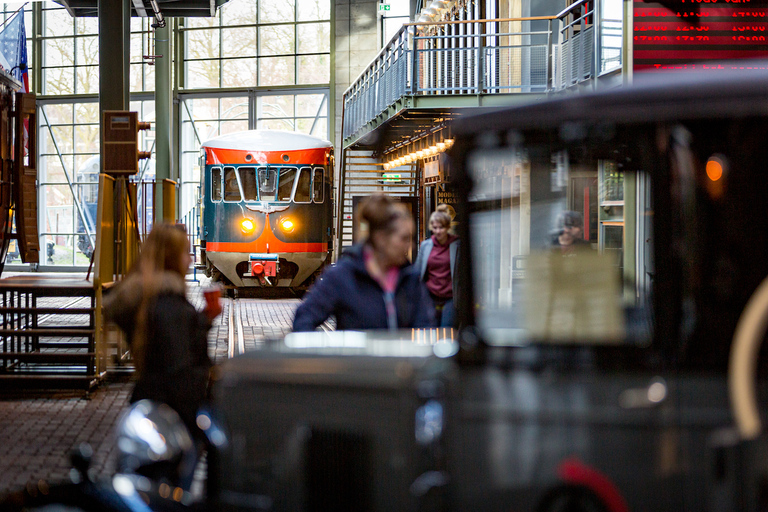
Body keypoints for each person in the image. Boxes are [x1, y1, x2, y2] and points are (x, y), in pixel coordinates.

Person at [104, 223, 222, 447]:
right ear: (171, 257)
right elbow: (178, 367)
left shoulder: (149, 298)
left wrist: (202, 320)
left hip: (151, 404)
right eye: (185, 253)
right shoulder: (168, 304)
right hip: (173, 416)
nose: (190, 260)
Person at [293, 194, 434, 331]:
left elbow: (425, 326)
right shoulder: (343, 275)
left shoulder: (409, 277)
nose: (411, 246)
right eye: (404, 238)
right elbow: (304, 319)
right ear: (380, 238)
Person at [414, 210, 460, 327]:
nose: (438, 231)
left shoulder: (457, 245)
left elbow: (461, 272)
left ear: (448, 227)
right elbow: (417, 270)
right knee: (430, 328)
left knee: (447, 328)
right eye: (435, 228)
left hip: (450, 296)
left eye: (441, 228)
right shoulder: (426, 245)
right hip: (430, 296)